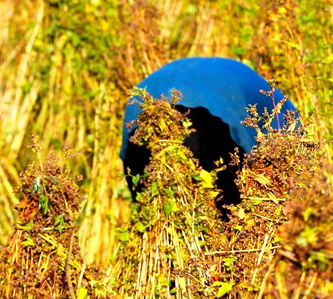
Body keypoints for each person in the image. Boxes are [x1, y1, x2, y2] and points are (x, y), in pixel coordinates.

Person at [120, 57, 300, 209]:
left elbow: (133, 167)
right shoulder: (282, 115)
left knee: (154, 195)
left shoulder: (263, 98)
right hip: (209, 102)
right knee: (225, 196)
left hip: (146, 98)